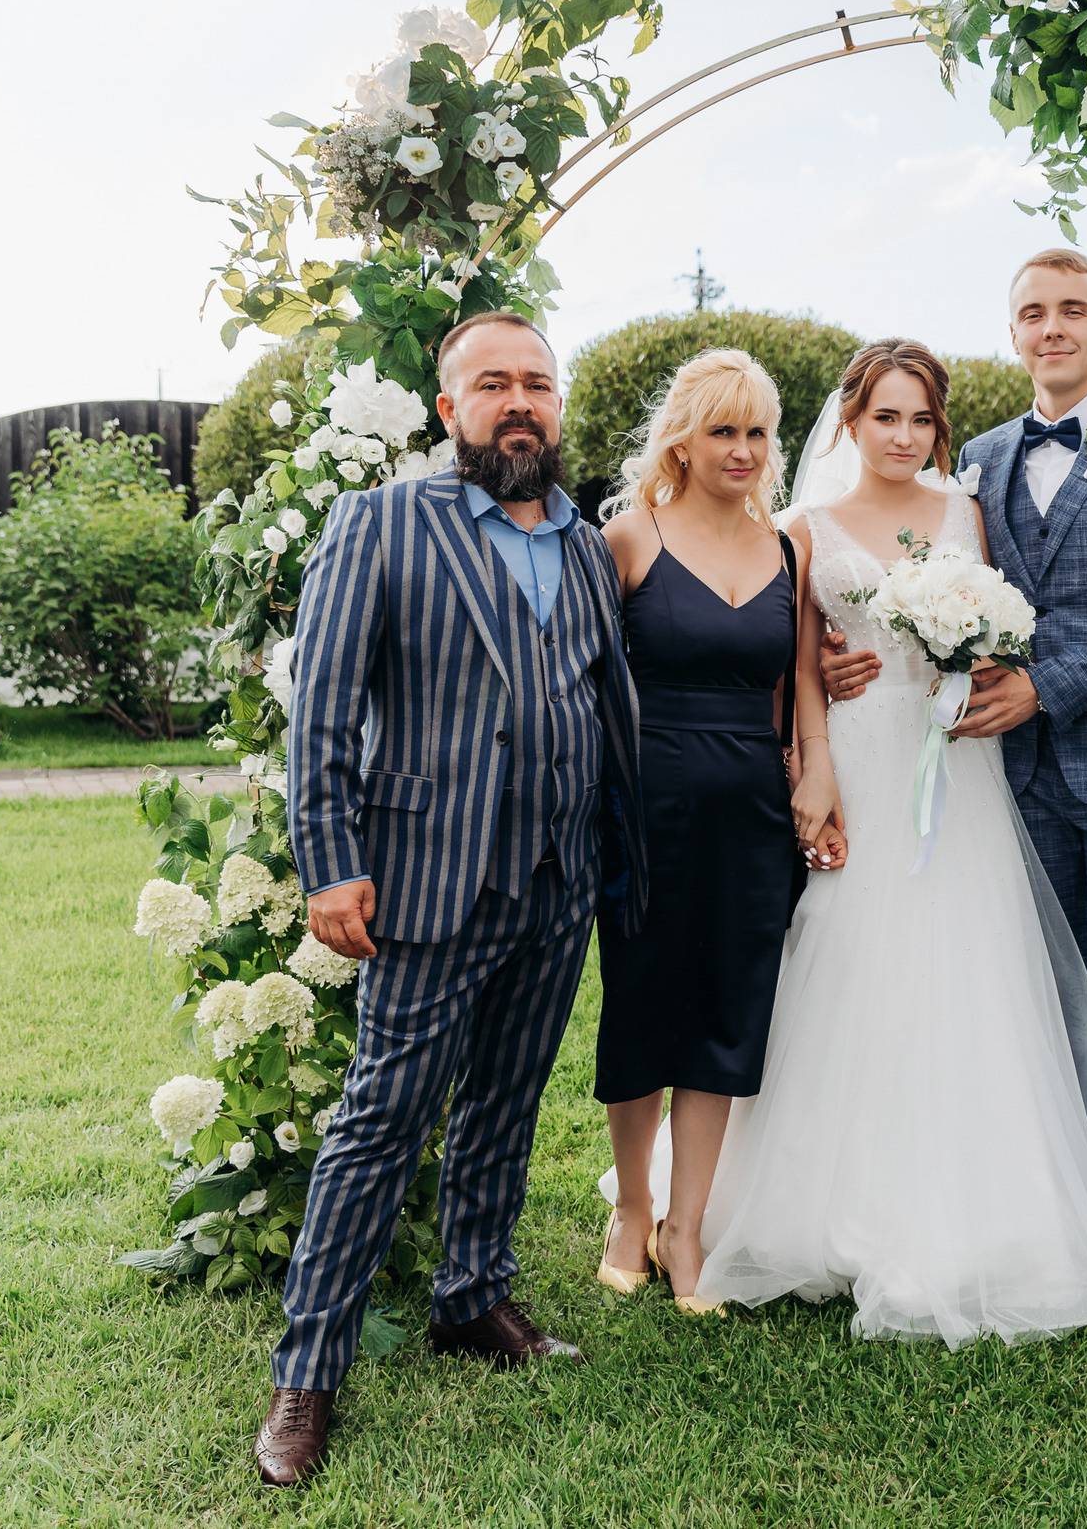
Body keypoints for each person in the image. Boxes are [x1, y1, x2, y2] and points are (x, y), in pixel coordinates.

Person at [258, 311, 648, 1488]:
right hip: (430, 878)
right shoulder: (383, 523)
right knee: (380, 1124)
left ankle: (471, 1298)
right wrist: (329, 860)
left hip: (557, 878)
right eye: (494, 384)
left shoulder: (586, 545)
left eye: (537, 383)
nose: (518, 402)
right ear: (450, 410)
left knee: (506, 1103)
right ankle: (306, 1376)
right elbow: (322, 703)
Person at [693, 338, 1087, 1345]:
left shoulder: (964, 514)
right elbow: (795, 657)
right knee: (847, 966)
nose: (903, 436)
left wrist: (977, 658)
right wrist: (813, 759)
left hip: (956, 764)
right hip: (859, 760)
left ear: (940, 427)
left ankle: (981, 1210)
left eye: (921, 418)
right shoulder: (800, 526)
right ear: (848, 420)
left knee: (966, 970)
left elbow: (1007, 629)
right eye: (884, 416)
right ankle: (819, 1205)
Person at [825, 250, 1087, 1319]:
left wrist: (1048, 686)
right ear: (1012, 334)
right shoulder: (981, 466)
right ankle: (1057, 1217)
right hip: (1013, 779)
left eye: (1072, 311)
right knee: (1036, 1012)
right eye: (1032, 313)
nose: (1053, 328)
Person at [594, 349, 842, 1315]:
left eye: (757, 433)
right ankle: (632, 1207)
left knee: (729, 1016)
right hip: (646, 811)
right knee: (645, 1006)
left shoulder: (789, 548)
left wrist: (812, 767)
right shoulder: (629, 537)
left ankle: (688, 1225)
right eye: (723, 431)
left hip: (750, 810)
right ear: (681, 443)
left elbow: (798, 684)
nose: (742, 450)